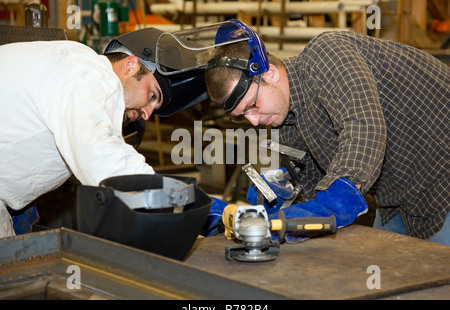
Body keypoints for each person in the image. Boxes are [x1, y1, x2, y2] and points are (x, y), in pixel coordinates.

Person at [190, 19, 449, 244]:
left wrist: (336, 200)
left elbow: (364, 128)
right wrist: (285, 196)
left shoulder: (327, 54)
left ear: (269, 73)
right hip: (402, 199)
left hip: (442, 180)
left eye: (253, 106)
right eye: (243, 116)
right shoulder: (287, 122)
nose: (254, 122)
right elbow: (313, 192)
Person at [0, 27, 207, 238]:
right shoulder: (89, 73)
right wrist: (174, 195)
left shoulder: (75, 65)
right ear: (131, 65)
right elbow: (102, 158)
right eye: (152, 95)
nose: (147, 113)